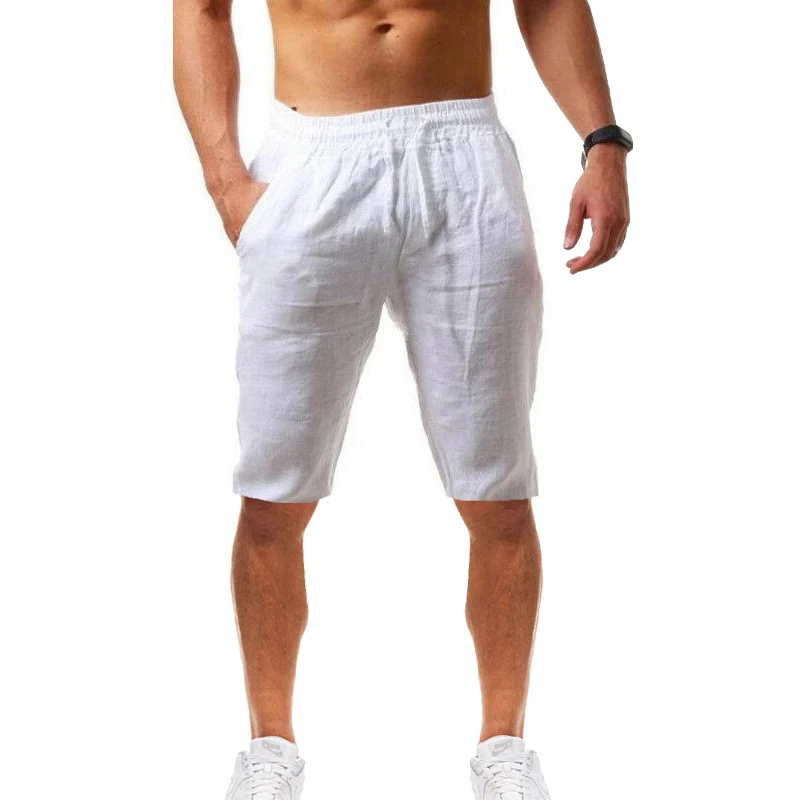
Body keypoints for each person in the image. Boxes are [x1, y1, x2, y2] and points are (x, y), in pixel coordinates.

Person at [173, 1, 631, 797]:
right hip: (311, 159)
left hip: (465, 158)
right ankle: (269, 754)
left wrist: (603, 141)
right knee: (275, 492)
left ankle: (504, 753)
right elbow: (202, 9)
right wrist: (225, 183)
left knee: (497, 490)